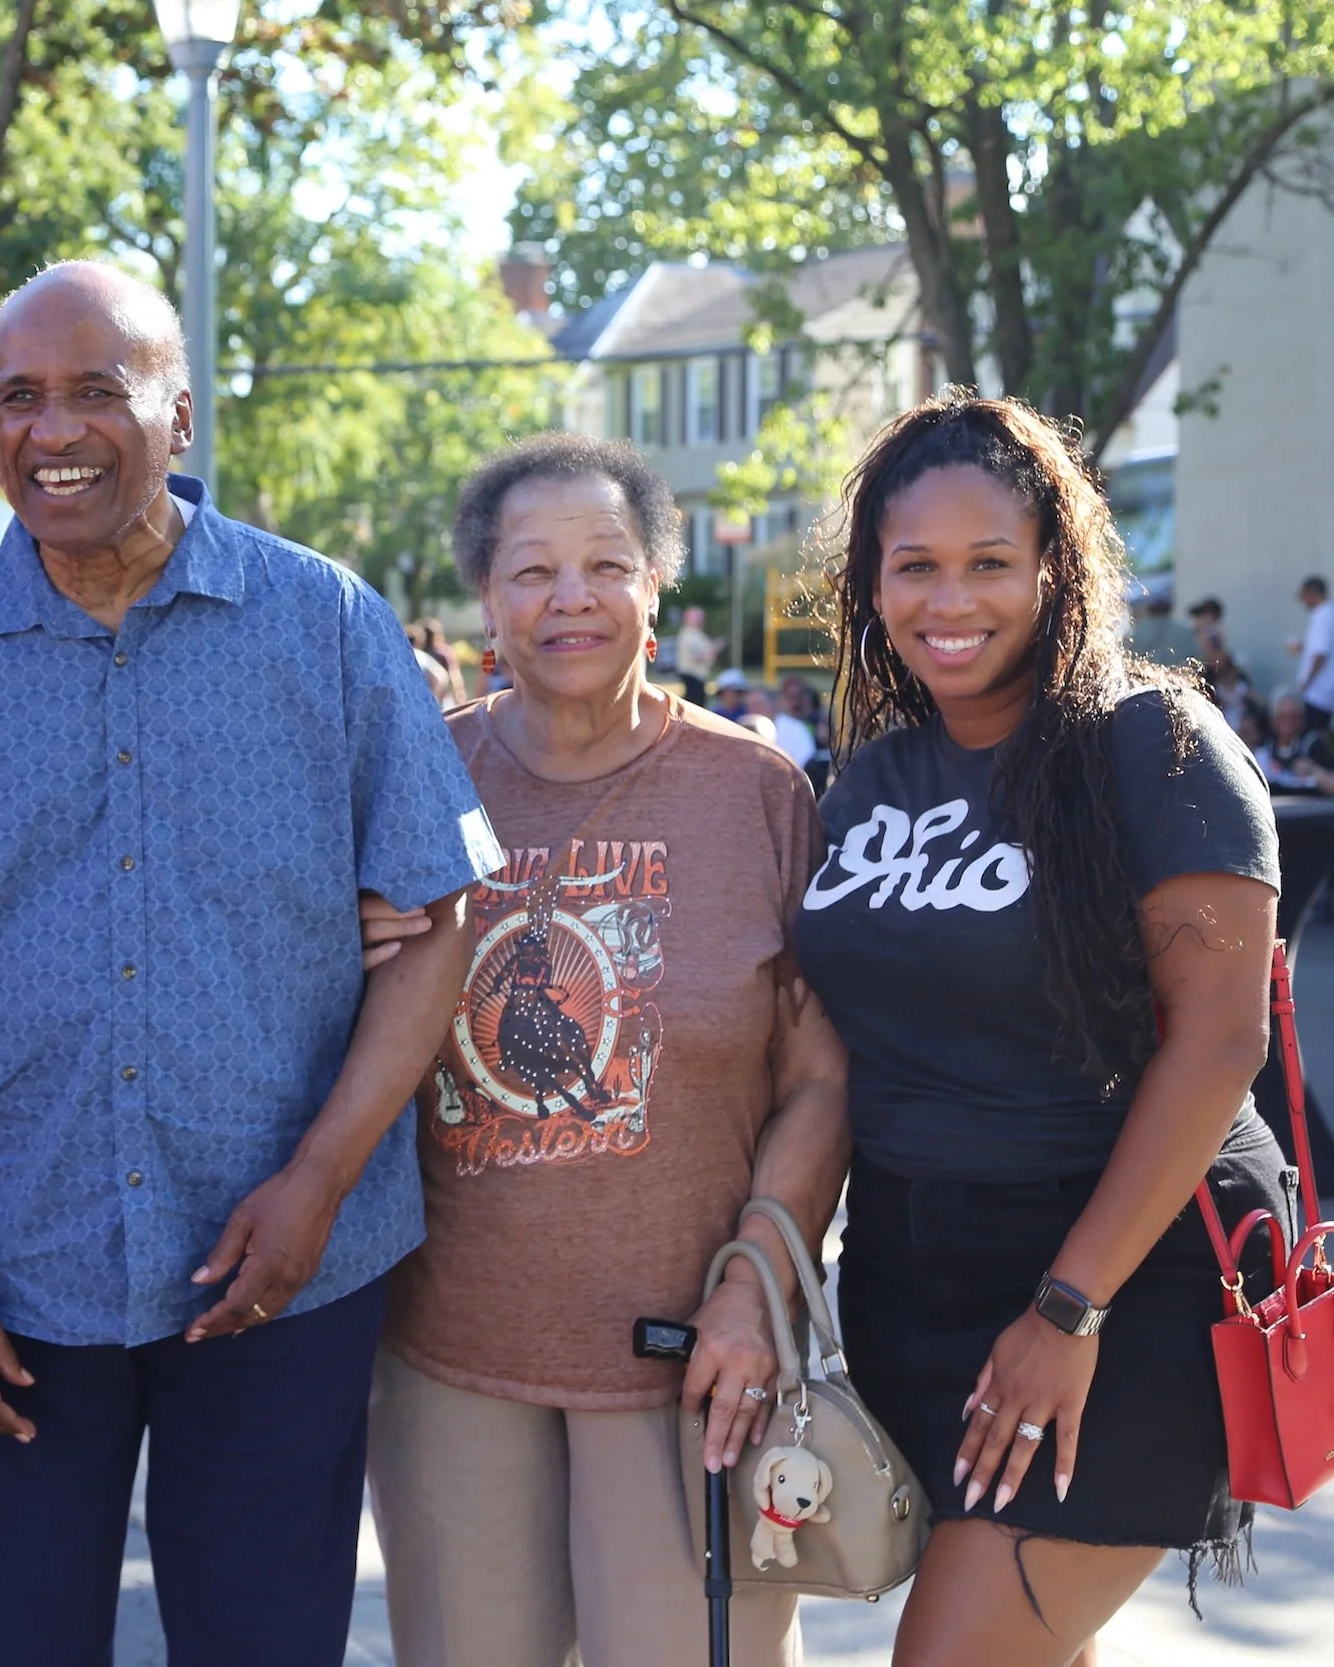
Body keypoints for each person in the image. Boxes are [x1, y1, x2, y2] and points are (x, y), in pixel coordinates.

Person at [0, 261, 497, 1666]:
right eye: (21, 395)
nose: (53, 426)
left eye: (97, 388)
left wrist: (321, 1176)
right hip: (17, 1267)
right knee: (18, 1643)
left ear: (179, 416)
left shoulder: (324, 621)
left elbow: (437, 916)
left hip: (282, 1262)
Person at [796, 394, 1291, 1666]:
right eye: (913, 566)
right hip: (913, 1281)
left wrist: (1067, 1309)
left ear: (1052, 568)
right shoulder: (870, 772)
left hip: (1126, 1279)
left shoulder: (1155, 745)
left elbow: (1217, 1043)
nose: (946, 600)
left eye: (987, 563)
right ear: (870, 580)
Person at [365, 433, 850, 1667]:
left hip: (693, 1357)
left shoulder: (755, 792)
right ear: (485, 596)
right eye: (531, 570)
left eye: (605, 564)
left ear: (655, 589)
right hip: (451, 1353)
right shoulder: (422, 776)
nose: (569, 596)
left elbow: (819, 1078)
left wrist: (754, 1279)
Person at [1255, 687, 1334, 795]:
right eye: (1282, 717)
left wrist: (1313, 770)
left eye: (1293, 717)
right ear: (1273, 720)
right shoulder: (1263, 751)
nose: (1287, 724)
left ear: (1302, 719)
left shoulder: (1315, 746)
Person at [1295, 575, 1334, 731]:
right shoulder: (1328, 613)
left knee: (1314, 735)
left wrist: (1307, 681)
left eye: (1303, 595)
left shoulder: (1322, 615)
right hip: (1324, 690)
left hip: (1318, 691)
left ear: (1312, 593)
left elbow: (1320, 654)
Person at [674, 604, 721, 704]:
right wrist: (711, 651)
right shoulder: (688, 635)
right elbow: (695, 656)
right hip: (692, 676)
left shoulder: (698, 635)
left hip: (699, 676)